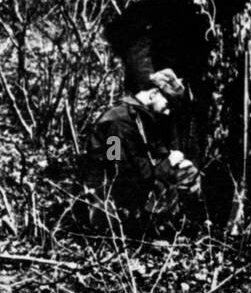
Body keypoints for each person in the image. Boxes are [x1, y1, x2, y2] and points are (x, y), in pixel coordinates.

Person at [104, 0, 211, 160]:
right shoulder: (198, 13)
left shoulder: (148, 11)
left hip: (164, 99)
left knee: (163, 153)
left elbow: (117, 36)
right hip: (165, 99)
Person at [83, 69, 200, 230]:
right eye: (168, 104)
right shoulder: (116, 122)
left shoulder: (141, 117)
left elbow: (149, 153)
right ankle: (148, 228)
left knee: (186, 172)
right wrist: (164, 166)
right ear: (153, 93)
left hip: (136, 184)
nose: (168, 111)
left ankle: (172, 226)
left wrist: (171, 161)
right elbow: (116, 167)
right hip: (111, 195)